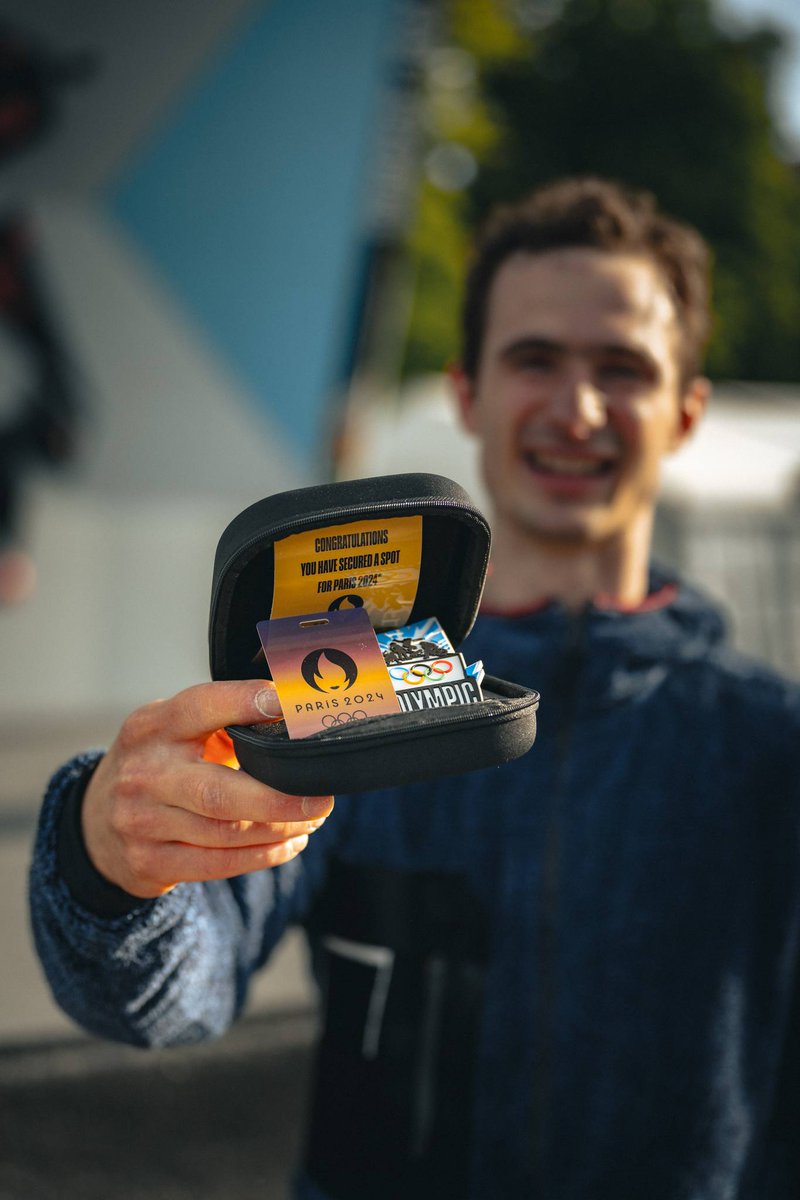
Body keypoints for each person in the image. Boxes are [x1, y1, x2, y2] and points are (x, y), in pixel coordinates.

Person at [29, 178, 800, 1199]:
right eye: (534, 359)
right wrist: (107, 860)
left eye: (621, 368)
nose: (574, 409)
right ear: (468, 393)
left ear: (684, 410)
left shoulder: (767, 742)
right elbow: (166, 996)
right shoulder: (362, 683)